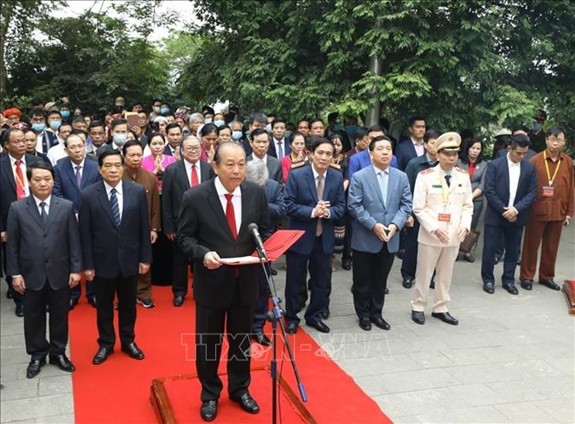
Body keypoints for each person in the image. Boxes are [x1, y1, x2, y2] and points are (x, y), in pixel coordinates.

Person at [177, 142, 271, 421]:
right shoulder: (195, 197)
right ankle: (209, 394)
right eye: (230, 164)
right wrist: (202, 254)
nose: (237, 170)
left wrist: (260, 249)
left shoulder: (255, 194)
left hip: (245, 282)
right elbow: (184, 238)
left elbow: (264, 229)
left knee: (241, 340)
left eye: (241, 164)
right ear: (215, 166)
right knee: (209, 343)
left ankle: (240, 389)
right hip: (211, 282)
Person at [6, 161, 82, 379]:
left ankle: (58, 353)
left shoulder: (65, 206)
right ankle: (37, 354)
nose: (43, 183)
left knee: (60, 314)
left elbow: (73, 241)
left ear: (53, 181)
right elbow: (12, 246)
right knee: (33, 316)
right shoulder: (17, 208)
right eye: (37, 179)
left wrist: (76, 269)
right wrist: (15, 274)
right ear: (29, 182)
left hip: (60, 271)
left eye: (47, 179)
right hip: (30, 274)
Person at [78, 150, 152, 365]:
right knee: (104, 306)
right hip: (102, 262)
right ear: (100, 169)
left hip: (130, 259)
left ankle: (128, 341)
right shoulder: (88, 195)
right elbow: (85, 233)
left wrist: (145, 258)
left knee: (128, 304)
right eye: (107, 166)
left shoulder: (137, 192)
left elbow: (143, 227)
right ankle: (106, 343)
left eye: (117, 165)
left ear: (123, 167)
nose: (113, 169)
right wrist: (88, 265)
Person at [347, 136, 412, 331]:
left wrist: (395, 225)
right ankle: (363, 314)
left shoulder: (401, 177)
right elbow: (354, 205)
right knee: (362, 280)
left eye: (388, 149)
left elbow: (406, 204)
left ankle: (377, 313)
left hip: (390, 237)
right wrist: (373, 225)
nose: (385, 152)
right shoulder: (360, 177)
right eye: (380, 149)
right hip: (366, 237)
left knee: (380, 279)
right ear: (371, 153)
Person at [284, 138, 346, 334]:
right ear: (311, 153)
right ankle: (292, 317)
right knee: (295, 280)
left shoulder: (337, 177)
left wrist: (328, 213)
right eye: (320, 153)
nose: (324, 157)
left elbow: (341, 207)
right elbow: (288, 204)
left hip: (324, 237)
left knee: (321, 281)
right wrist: (312, 212)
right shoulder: (297, 175)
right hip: (300, 236)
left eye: (329, 154)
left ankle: (314, 316)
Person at [411, 132, 473, 326]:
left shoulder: (463, 176)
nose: (452, 157)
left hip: (453, 234)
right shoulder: (425, 177)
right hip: (431, 235)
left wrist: (465, 226)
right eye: (447, 154)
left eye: (454, 154)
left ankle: (441, 307)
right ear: (438, 155)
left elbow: (467, 206)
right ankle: (418, 305)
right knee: (424, 272)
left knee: (446, 274)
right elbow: (418, 208)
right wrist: (434, 228)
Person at [481, 135, 536, 295]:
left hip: (517, 215)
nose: (522, 156)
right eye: (518, 153)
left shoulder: (529, 167)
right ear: (509, 148)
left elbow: (532, 192)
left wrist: (516, 209)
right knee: (490, 249)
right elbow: (489, 190)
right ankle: (488, 280)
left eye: (525, 153)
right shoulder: (495, 165)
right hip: (496, 215)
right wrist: (505, 210)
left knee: (512, 251)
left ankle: (509, 280)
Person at [520, 127, 574, 291]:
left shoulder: (568, 162)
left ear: (564, 142)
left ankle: (546, 276)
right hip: (537, 210)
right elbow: (526, 187)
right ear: (546, 140)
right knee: (531, 245)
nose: (556, 143)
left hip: (558, 211)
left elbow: (571, 188)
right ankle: (527, 276)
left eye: (559, 140)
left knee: (552, 246)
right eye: (552, 139)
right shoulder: (535, 161)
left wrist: (570, 212)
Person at [162, 135, 213, 306]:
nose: (193, 151)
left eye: (197, 148)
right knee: (179, 260)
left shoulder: (208, 169)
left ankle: (201, 289)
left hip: (205, 222)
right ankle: (179, 292)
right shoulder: (171, 170)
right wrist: (169, 227)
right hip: (180, 223)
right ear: (182, 151)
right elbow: (166, 201)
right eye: (189, 148)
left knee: (202, 257)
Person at [53, 133, 101, 309]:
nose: (77, 150)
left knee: (91, 253)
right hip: (67, 217)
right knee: (70, 253)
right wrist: (71, 212)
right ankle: (73, 293)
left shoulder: (95, 166)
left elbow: (98, 192)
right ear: (66, 150)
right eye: (72, 147)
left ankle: (92, 292)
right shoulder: (59, 167)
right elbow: (56, 192)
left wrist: (86, 213)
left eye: (80, 146)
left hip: (92, 218)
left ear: (85, 146)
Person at [1, 128, 42, 317]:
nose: (22, 144)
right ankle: (21, 300)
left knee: (40, 253)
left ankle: (42, 295)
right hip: (10, 218)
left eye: (24, 140)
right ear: (6, 145)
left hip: (37, 215)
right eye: (17, 141)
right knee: (14, 255)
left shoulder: (36, 161)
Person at [246, 160, 286, 346]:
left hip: (266, 243)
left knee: (262, 289)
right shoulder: (238, 185)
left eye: (259, 185)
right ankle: (241, 327)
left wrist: (261, 203)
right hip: (242, 244)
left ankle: (258, 327)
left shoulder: (273, 187)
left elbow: (282, 210)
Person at [122, 140, 161, 307]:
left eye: (139, 155)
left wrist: (154, 228)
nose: (136, 158)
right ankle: (124, 295)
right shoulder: (117, 176)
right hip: (122, 227)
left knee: (144, 260)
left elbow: (155, 206)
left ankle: (143, 294)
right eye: (132, 155)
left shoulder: (149, 177)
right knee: (123, 261)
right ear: (124, 156)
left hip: (144, 227)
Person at [400, 129, 441, 288]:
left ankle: (429, 276)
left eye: (438, 144)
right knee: (412, 245)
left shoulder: (444, 165)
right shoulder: (414, 164)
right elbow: (406, 189)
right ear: (425, 144)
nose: (435, 147)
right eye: (432, 143)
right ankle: (408, 275)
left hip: (436, 213)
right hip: (417, 212)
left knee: (433, 246)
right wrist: (408, 213)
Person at [456, 137, 488, 262]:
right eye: (473, 148)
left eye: (478, 148)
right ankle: (455, 250)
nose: (475, 151)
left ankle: (467, 251)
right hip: (458, 198)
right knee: (457, 224)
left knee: (472, 225)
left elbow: (483, 184)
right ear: (467, 148)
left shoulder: (484, 164)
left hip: (476, 200)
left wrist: (471, 196)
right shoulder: (458, 162)